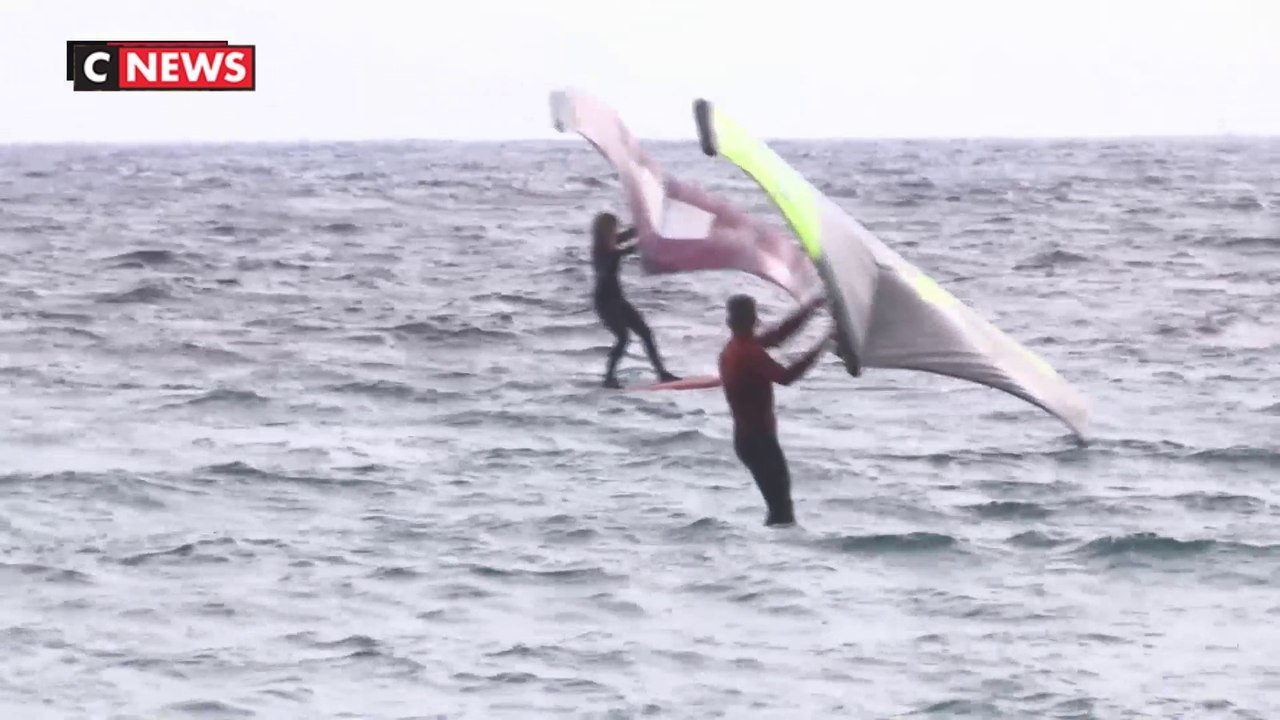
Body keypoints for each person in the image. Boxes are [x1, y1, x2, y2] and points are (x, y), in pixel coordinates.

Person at [718, 293, 831, 526]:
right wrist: (823, 346)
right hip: (758, 441)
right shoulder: (748, 352)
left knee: (780, 508)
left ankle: (773, 556)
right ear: (754, 319)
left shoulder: (736, 347)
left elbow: (780, 335)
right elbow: (786, 376)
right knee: (781, 511)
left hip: (749, 439)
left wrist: (811, 307)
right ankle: (773, 557)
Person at [590, 211, 679, 388]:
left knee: (645, 333)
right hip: (604, 303)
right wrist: (642, 243)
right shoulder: (601, 252)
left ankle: (662, 374)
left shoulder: (611, 245)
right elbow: (621, 252)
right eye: (614, 228)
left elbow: (630, 235)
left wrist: (646, 225)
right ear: (606, 231)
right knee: (623, 338)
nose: (617, 231)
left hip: (617, 299)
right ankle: (608, 378)